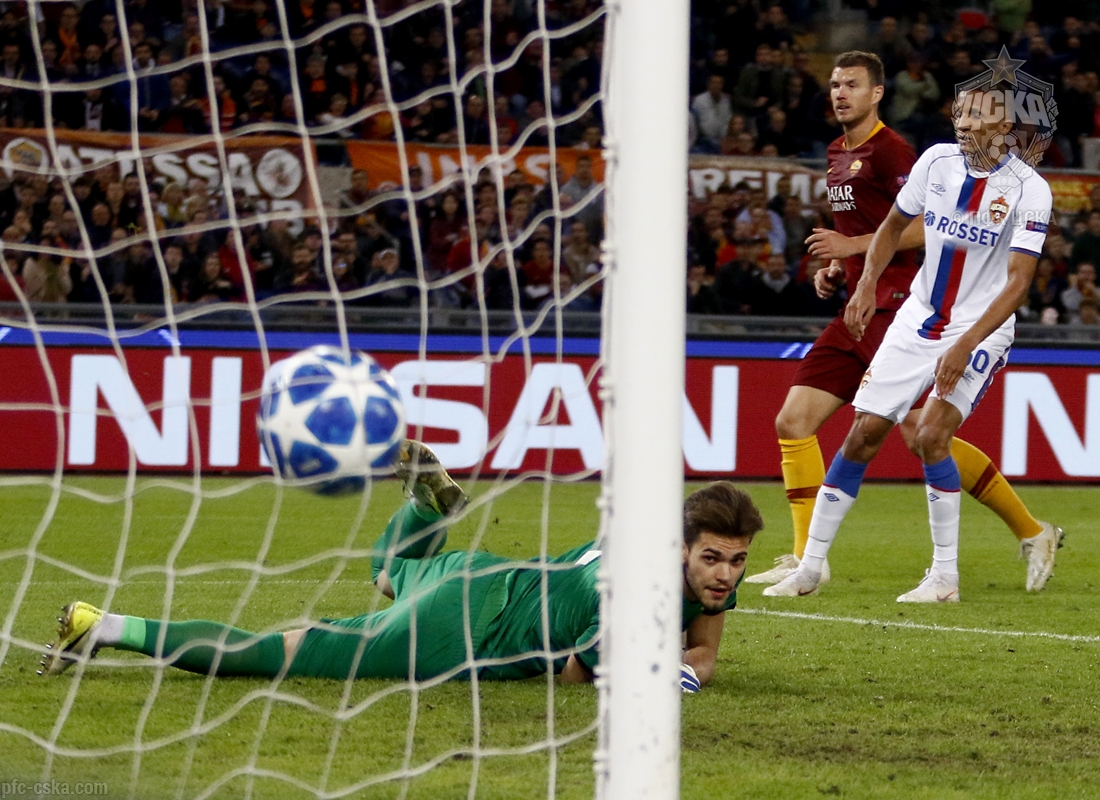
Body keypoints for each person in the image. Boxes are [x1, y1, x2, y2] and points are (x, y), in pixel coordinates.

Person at [41, 442, 764, 688]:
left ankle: (426, 514)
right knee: (281, 654)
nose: (725, 576)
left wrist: (690, 666)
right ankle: (105, 626)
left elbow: (704, 647)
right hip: (461, 631)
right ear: (679, 549)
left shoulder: (691, 567)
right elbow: (578, 676)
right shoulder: (632, 601)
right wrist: (664, 671)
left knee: (387, 576)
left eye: (735, 562)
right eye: (711, 559)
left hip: (483, 573)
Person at [748, 51, 1063, 594]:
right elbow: (893, 226)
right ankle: (809, 567)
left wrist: (964, 345)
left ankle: (945, 576)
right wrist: (864, 281)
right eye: (959, 113)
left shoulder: (1029, 190)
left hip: (979, 328)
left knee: (931, 434)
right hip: (916, 316)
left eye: (976, 114)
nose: (963, 123)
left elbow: (1018, 283)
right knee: (863, 432)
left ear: (1004, 124)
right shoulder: (936, 162)